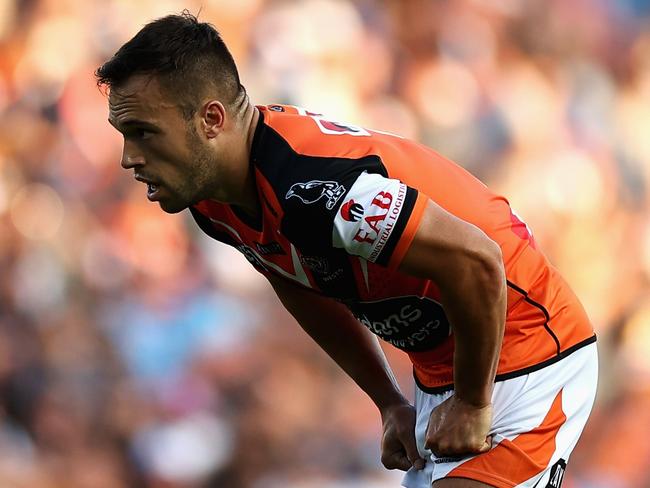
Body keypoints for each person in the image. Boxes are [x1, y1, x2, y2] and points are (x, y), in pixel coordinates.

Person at [96, 12, 598, 488]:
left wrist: (471, 400)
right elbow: (298, 283)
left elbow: (477, 259)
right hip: (447, 368)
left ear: (210, 119)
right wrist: (388, 401)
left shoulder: (317, 189)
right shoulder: (214, 199)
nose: (128, 158)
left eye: (143, 133)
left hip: (526, 346)